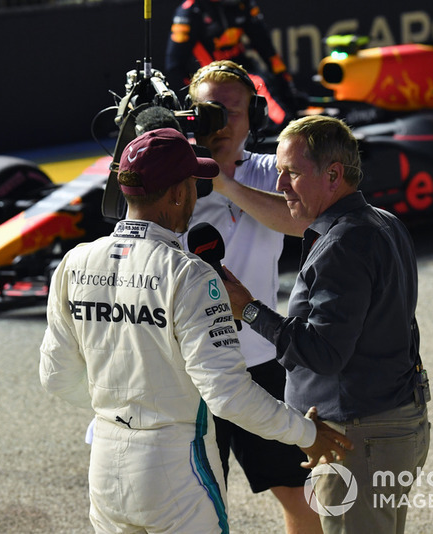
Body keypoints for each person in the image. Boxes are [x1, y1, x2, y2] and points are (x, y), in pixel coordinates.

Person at [39, 127, 352, 533]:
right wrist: (307, 433)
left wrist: (124, 405)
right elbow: (227, 395)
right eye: (193, 183)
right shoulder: (190, 276)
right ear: (177, 193)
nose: (197, 193)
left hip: (106, 465)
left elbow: (55, 376)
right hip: (175, 469)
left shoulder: (74, 262)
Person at [221, 115, 430, 533]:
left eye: (292, 174)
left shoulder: (343, 243)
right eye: (278, 172)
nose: (280, 186)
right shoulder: (382, 222)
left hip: (358, 438)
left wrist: (247, 309)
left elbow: (324, 351)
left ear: (334, 175)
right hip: (385, 427)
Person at [184, 59, 322, 534]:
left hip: (258, 361)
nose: (219, 123)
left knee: (299, 494)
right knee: (198, 505)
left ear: (254, 117)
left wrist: (222, 181)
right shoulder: (169, 181)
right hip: (190, 368)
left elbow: (301, 221)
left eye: (231, 111)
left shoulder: (269, 172)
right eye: (207, 111)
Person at [165, 0, 304, 126]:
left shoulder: (243, 4)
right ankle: (285, 125)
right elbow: (174, 66)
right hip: (209, 78)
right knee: (258, 84)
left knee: (268, 82)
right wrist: (194, 97)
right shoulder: (189, 12)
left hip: (242, 70)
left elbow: (268, 50)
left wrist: (287, 86)